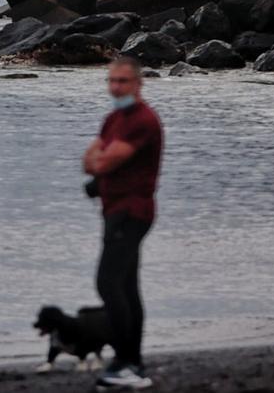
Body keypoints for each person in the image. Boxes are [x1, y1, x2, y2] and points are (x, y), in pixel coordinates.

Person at [82, 57, 164, 391]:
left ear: (138, 84)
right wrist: (99, 162)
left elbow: (106, 159)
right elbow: (90, 161)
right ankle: (134, 363)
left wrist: (99, 162)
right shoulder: (114, 118)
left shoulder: (142, 120)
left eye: (123, 81)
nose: (116, 87)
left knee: (107, 282)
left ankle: (124, 360)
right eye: (112, 81)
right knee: (127, 287)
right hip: (113, 210)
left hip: (133, 211)